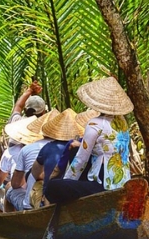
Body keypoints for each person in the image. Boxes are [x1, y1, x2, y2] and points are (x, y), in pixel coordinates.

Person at [46, 77, 133, 205]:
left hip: (103, 186)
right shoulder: (122, 123)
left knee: (52, 186)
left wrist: (67, 182)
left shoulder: (95, 123)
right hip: (123, 182)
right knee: (75, 149)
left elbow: (81, 159)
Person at [5, 109, 59, 211]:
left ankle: (6, 220)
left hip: (30, 205)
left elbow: (15, 184)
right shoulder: (68, 147)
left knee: (9, 188)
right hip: (56, 202)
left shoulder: (27, 149)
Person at [29, 109, 83, 207]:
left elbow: (34, 174)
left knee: (36, 187)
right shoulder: (84, 146)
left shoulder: (48, 147)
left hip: (53, 198)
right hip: (76, 194)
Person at [0, 115, 42, 211]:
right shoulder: (49, 147)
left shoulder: (17, 151)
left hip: (29, 201)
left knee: (8, 187)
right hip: (43, 197)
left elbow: (11, 183)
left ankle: (7, 218)